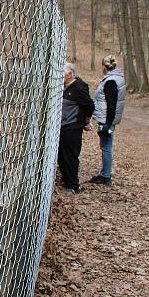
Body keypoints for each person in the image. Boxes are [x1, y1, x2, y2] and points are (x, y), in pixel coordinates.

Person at [57, 63, 94, 194]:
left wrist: (86, 121)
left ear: (69, 74)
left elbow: (90, 105)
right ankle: (66, 180)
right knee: (61, 155)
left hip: (73, 127)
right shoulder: (62, 87)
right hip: (62, 126)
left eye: (62, 73)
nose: (60, 76)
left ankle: (73, 185)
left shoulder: (79, 87)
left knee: (71, 156)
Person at [89, 55, 126, 186]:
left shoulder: (110, 81)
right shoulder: (117, 78)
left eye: (102, 67)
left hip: (106, 119)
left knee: (106, 146)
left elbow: (111, 104)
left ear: (105, 67)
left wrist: (108, 124)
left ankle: (105, 175)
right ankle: (105, 174)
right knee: (106, 146)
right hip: (106, 118)